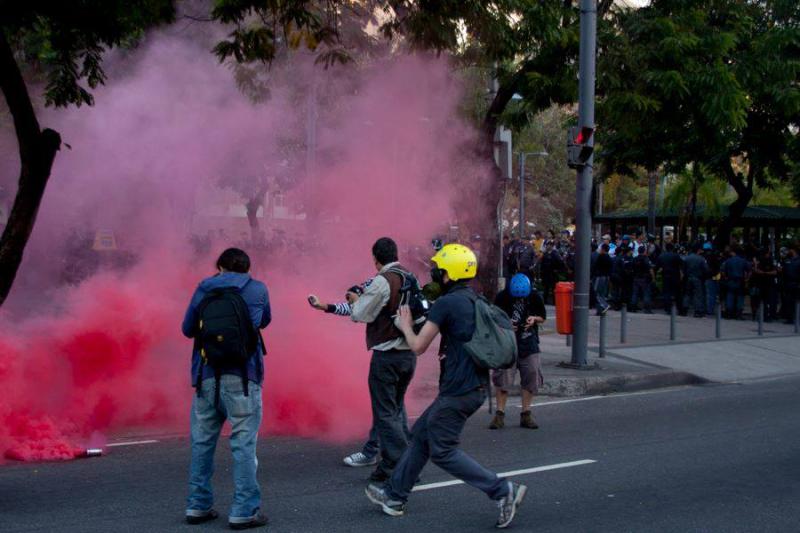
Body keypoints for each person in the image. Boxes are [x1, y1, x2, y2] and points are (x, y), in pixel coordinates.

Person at [365, 244, 527, 529]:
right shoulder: (472, 299)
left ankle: (503, 491)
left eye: (438, 270)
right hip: (472, 388)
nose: (435, 274)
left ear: (447, 274)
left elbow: (417, 346)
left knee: (443, 450)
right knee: (420, 435)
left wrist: (404, 324)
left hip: (459, 392)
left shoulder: (447, 304)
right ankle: (394, 496)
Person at [182, 248, 271, 529]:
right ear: (247, 268)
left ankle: (198, 506)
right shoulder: (257, 289)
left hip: (207, 375)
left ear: (219, 266)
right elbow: (264, 321)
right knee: (243, 445)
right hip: (244, 378)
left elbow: (187, 329)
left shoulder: (203, 289)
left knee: (202, 443)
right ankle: (244, 510)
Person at [307, 287, 411, 469]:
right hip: (404, 357)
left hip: (390, 357)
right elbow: (354, 307)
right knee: (395, 408)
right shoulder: (396, 287)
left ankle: (376, 453)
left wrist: (350, 301)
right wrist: (323, 306)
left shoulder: (381, 289)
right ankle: (406, 452)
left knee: (386, 409)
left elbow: (357, 310)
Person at [349, 237, 417, 483]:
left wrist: (356, 300)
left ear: (376, 259)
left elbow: (360, 314)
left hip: (387, 355)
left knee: (385, 413)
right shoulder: (410, 276)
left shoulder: (382, 280)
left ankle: (398, 467)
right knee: (396, 409)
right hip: (408, 353)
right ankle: (397, 462)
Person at [488, 273, 546, 430]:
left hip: (529, 342)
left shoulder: (535, 296)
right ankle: (500, 414)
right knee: (503, 378)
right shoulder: (502, 297)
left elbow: (543, 317)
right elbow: (493, 318)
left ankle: (526, 413)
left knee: (532, 375)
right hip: (507, 343)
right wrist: (506, 324)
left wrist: (534, 319)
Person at [721, 246, 752, 319]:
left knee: (730, 296)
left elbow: (722, 271)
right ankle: (738, 314)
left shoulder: (728, 261)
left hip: (730, 280)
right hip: (740, 281)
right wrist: (747, 279)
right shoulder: (743, 261)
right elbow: (750, 270)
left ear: (733, 252)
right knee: (740, 298)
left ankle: (729, 313)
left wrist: (726, 277)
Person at [682, 244, 710, 317]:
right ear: (698, 250)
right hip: (698, 278)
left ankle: (684, 309)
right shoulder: (701, 259)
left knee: (687, 294)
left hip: (688, 278)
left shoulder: (687, 258)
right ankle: (698, 311)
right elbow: (706, 270)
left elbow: (683, 269)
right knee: (698, 295)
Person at [657, 243, 684, 314]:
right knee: (678, 294)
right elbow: (682, 264)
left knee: (666, 293)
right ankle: (680, 309)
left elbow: (658, 266)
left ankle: (667, 309)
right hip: (675, 276)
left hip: (665, 276)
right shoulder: (676, 256)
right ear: (672, 248)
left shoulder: (661, 256)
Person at [631, 245, 654, 313]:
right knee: (646, 293)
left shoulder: (635, 259)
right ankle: (647, 309)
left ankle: (633, 307)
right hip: (644, 278)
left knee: (635, 293)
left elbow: (632, 268)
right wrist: (653, 278)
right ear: (644, 251)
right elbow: (650, 269)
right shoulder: (646, 259)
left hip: (636, 278)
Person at [593, 243, 613, 314]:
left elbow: (595, 266)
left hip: (600, 276)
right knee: (602, 294)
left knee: (596, 293)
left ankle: (605, 305)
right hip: (607, 277)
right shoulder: (609, 258)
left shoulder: (600, 257)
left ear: (603, 249)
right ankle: (600, 310)